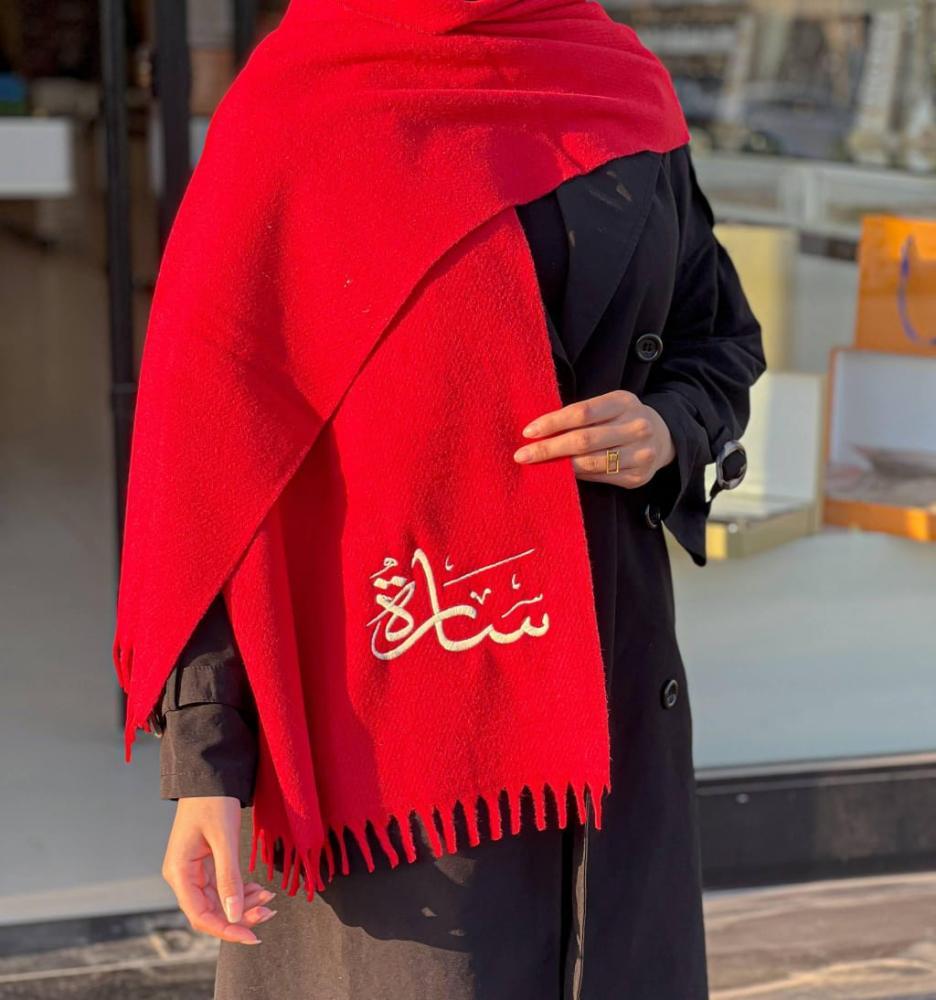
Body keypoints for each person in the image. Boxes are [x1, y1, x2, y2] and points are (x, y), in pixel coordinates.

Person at [112, 1, 766, 997]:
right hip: (394, 739)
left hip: (609, 701)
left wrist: (669, 426)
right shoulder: (297, 107)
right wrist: (209, 762)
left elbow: (716, 335)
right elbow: (210, 472)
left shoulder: (618, 84)